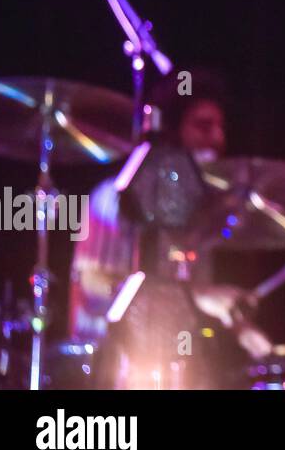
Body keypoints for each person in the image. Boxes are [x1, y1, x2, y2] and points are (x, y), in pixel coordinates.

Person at [68, 70, 271, 359]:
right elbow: (92, 281)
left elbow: (191, 292)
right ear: (172, 133)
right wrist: (199, 297)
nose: (218, 137)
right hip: (106, 362)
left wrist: (240, 325)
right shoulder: (113, 196)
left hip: (170, 362)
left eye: (221, 127)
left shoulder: (202, 215)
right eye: (204, 126)